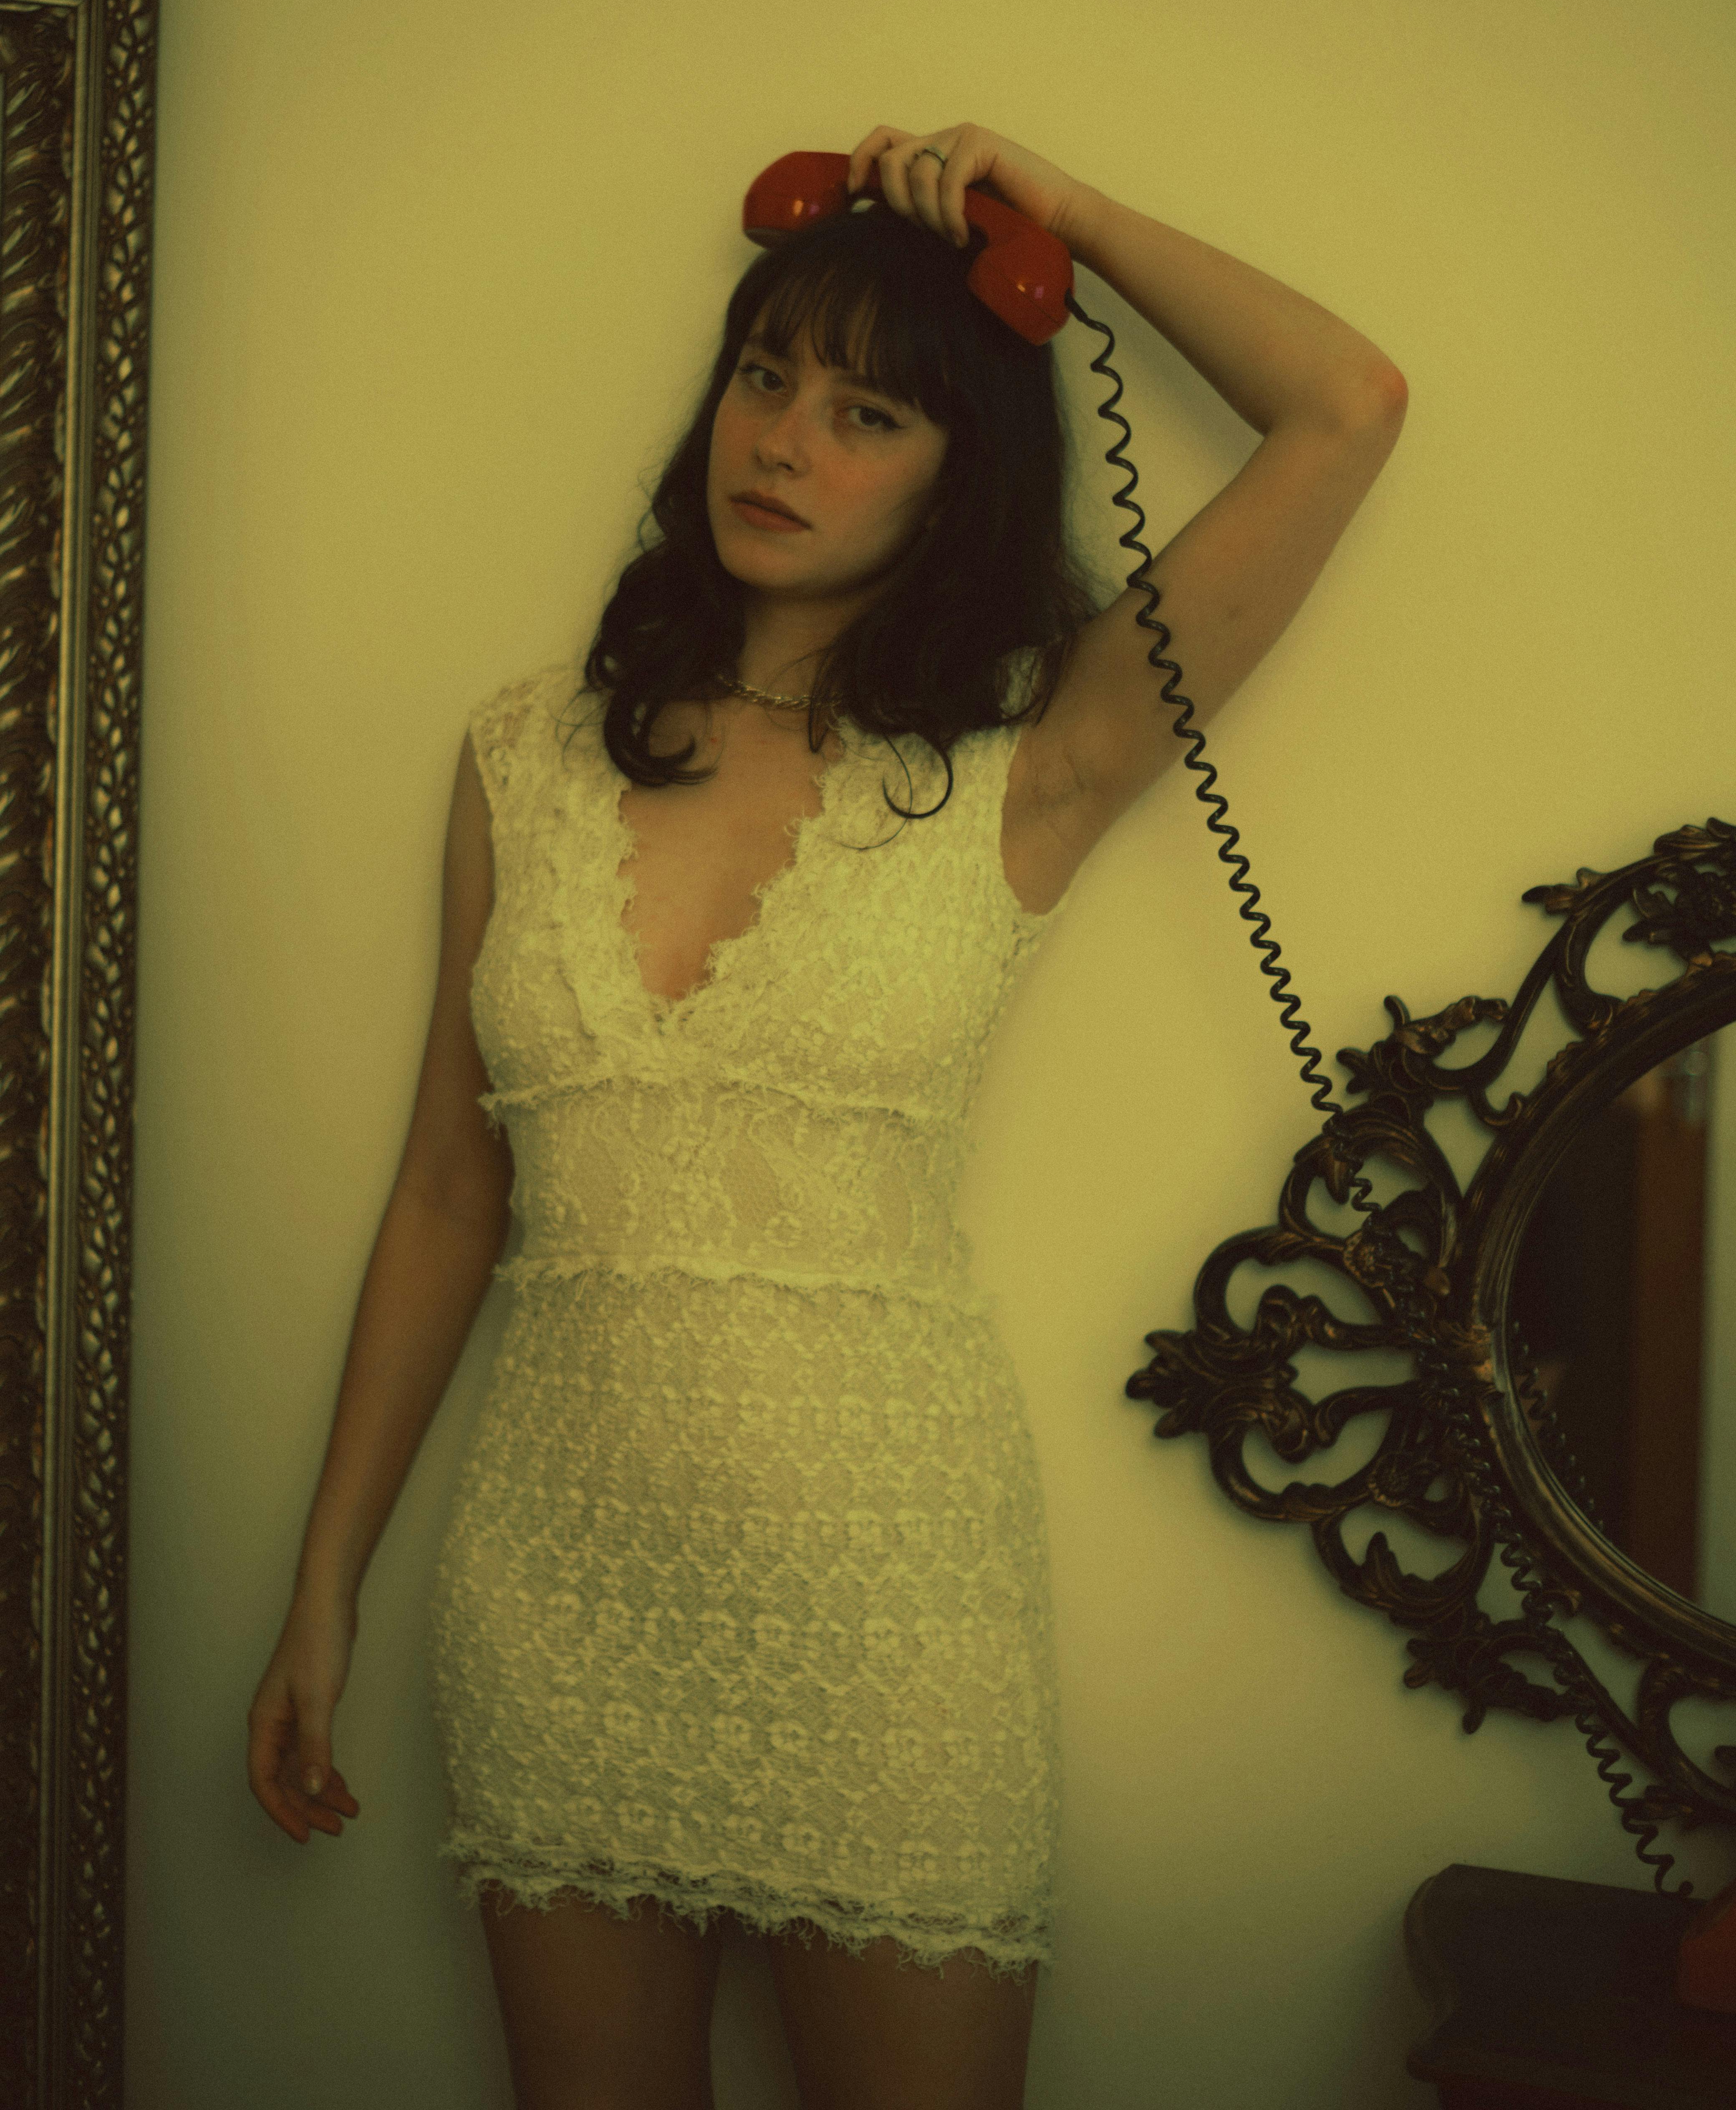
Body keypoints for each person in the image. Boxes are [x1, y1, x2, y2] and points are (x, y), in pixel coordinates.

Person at [246, 121, 1408, 2110]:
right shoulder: (525, 751)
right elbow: (450, 1192)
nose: (781, 440)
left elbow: (1343, 404)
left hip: (884, 1604)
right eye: (764, 376)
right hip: (554, 1589)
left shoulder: (1035, 753)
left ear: (964, 473)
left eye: (867, 409)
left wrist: (1075, 217)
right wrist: (324, 1581)